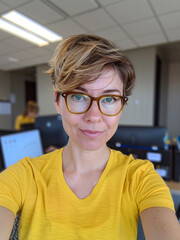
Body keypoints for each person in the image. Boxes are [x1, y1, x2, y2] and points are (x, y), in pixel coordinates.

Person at [0, 34, 179, 240]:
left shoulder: (141, 177)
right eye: (78, 96)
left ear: (122, 105)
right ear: (58, 101)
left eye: (110, 98)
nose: (94, 116)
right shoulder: (23, 176)